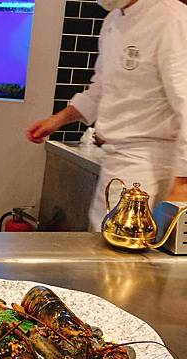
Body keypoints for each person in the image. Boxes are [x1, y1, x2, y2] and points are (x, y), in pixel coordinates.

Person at [27, 0, 187, 230]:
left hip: (151, 165)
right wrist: (58, 120)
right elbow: (101, 88)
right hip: (116, 160)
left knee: (122, 245)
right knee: (105, 239)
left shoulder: (172, 19)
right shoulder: (113, 20)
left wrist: (183, 182)